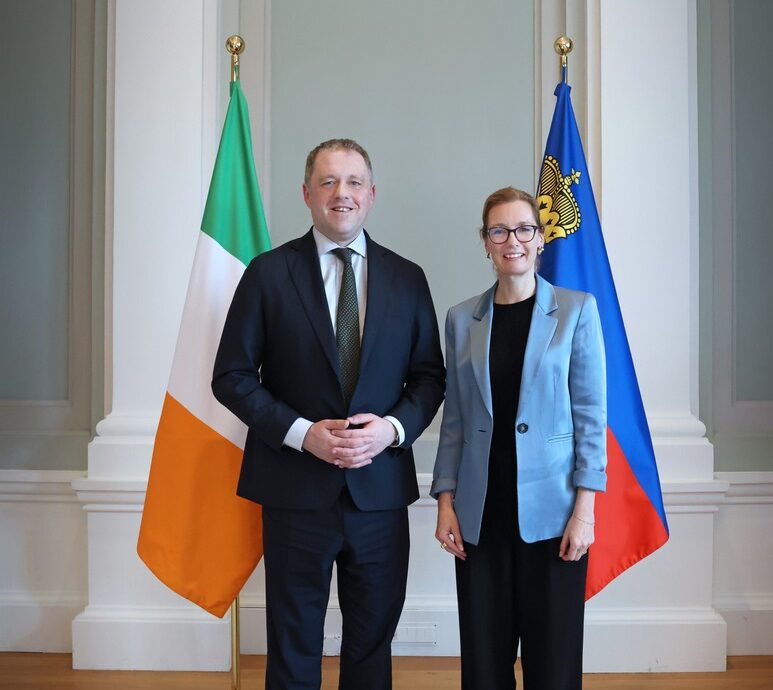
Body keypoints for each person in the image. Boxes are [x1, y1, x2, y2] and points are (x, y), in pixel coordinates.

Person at [212, 138, 445, 690]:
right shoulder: (268, 273)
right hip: (294, 492)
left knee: (371, 645)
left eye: (354, 182)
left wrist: (390, 430)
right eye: (328, 181)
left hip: (378, 494)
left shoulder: (407, 277)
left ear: (372, 194)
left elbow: (429, 378)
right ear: (307, 193)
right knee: (293, 644)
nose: (342, 193)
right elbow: (232, 376)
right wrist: (302, 434)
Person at [431, 186, 606, 690]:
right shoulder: (461, 319)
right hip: (480, 515)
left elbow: (591, 416)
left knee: (553, 666)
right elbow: (455, 418)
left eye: (524, 229)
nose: (513, 241)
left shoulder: (576, 311)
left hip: (554, 516)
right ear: (485, 241)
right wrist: (445, 502)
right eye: (500, 231)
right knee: (484, 666)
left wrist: (585, 511)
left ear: (541, 237)